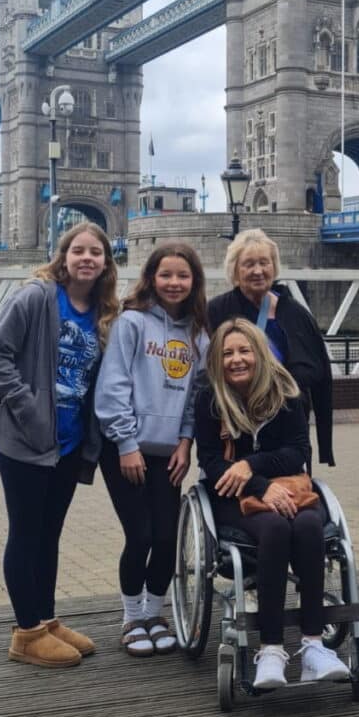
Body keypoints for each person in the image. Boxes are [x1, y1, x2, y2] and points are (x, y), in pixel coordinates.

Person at [0, 221, 119, 668]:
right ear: (63, 257)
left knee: (49, 534)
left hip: (69, 442)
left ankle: (46, 619)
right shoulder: (36, 297)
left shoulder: (103, 311)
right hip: (25, 440)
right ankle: (26, 633)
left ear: (105, 262)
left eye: (95, 252)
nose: (86, 258)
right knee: (25, 533)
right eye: (78, 250)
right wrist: (27, 409)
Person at [195, 317, 349, 690]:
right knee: (276, 530)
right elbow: (213, 464)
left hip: (288, 486)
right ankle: (271, 649)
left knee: (311, 526)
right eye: (228, 353)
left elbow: (298, 452)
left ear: (259, 353)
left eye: (244, 350)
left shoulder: (286, 394)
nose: (237, 359)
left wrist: (251, 465)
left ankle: (314, 646)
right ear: (217, 359)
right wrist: (259, 485)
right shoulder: (209, 400)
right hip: (234, 497)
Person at [95, 242, 209, 657]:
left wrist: (186, 442)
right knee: (139, 534)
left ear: (194, 280)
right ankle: (131, 619)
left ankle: (155, 614)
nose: (174, 283)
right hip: (125, 449)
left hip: (169, 452)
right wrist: (125, 442)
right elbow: (114, 386)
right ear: (151, 278)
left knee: (165, 538)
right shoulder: (132, 323)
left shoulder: (199, 331)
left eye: (183, 275)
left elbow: (197, 393)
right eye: (166, 275)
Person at [208, 228, 335, 466]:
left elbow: (319, 373)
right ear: (235, 270)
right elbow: (207, 370)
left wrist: (324, 444)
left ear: (274, 267)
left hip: (287, 427)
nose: (258, 271)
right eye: (248, 264)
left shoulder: (297, 314)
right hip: (236, 427)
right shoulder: (217, 311)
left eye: (264, 262)